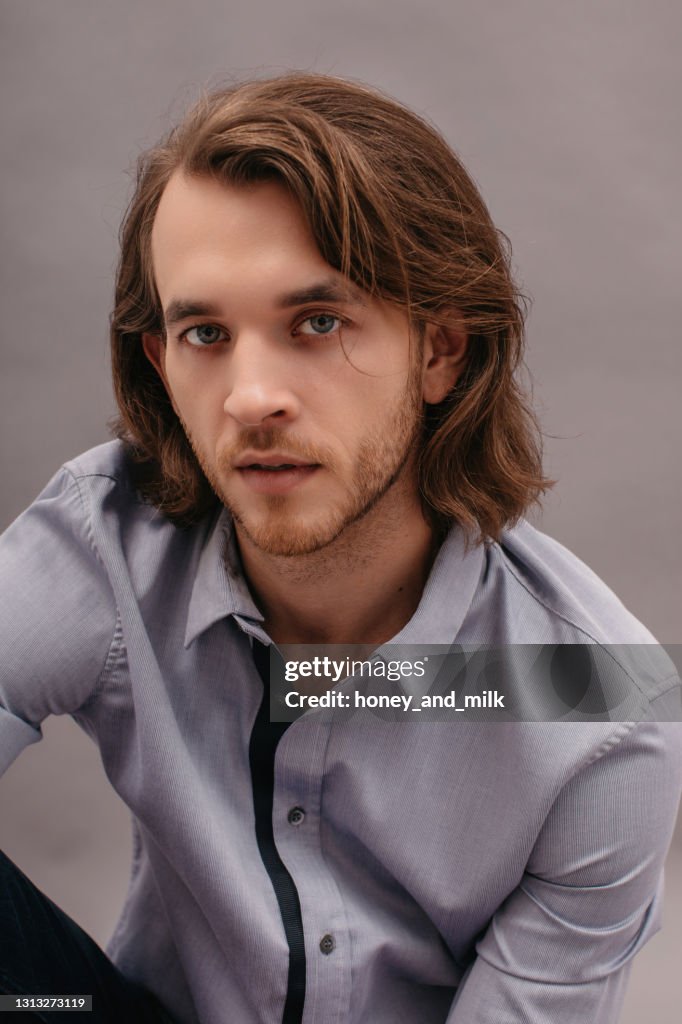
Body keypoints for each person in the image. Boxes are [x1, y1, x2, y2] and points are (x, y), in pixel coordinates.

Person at [0, 72, 680, 1024]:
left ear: (441, 349)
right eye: (204, 332)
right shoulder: (107, 539)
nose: (250, 398)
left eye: (317, 323)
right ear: (161, 362)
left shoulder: (602, 714)